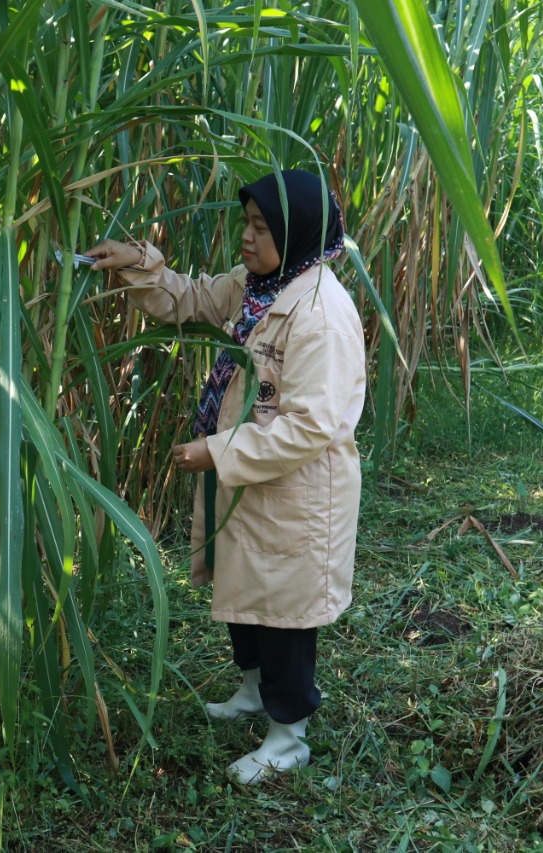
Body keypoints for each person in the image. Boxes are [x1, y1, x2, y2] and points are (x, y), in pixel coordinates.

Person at [86, 169, 366, 786]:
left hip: (298, 492)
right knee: (246, 592)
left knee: (285, 616)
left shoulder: (320, 314)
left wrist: (219, 451)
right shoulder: (261, 285)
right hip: (252, 479)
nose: (246, 237)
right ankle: (250, 694)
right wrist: (138, 262)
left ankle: (289, 737)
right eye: (246, 223)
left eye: (261, 228)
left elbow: (314, 424)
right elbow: (191, 299)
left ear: (296, 234)